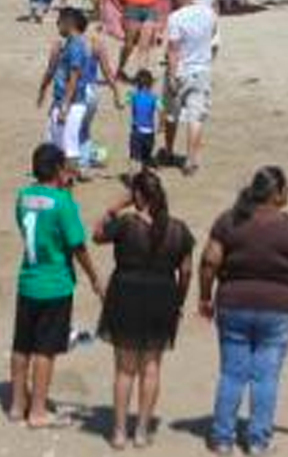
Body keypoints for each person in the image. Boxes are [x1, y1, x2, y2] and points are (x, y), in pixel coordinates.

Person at [200, 166, 288, 455]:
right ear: (277, 194)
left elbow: (208, 262)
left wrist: (205, 298)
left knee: (231, 374)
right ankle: (257, 441)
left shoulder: (228, 222)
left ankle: (221, 439)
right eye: (287, 188)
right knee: (265, 377)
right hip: (280, 310)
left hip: (233, 305)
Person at [93, 169, 194, 449]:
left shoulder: (126, 224)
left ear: (137, 194)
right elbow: (186, 272)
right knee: (151, 367)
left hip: (126, 295)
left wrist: (114, 207)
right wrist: (179, 302)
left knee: (125, 369)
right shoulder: (178, 229)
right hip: (162, 297)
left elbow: (97, 234)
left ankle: (119, 432)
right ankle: (140, 431)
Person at [8, 142, 104, 429]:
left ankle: (16, 405)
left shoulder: (23, 196)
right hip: (55, 284)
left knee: (21, 345)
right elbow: (77, 244)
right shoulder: (63, 203)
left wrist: (65, 191)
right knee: (45, 350)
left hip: (28, 280)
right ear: (59, 169)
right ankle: (37, 411)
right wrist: (94, 277)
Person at [163, 0, 219, 175]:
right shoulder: (208, 12)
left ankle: (169, 151)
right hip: (202, 69)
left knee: (172, 114)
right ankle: (191, 159)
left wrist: (171, 75)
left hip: (181, 70)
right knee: (196, 118)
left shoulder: (175, 18)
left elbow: (173, 49)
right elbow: (213, 39)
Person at [37, 8, 95, 182]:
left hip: (72, 102)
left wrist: (65, 106)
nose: (57, 24)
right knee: (56, 139)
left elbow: (74, 77)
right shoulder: (70, 44)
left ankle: (67, 179)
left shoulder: (76, 45)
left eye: (60, 21)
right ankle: (61, 176)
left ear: (69, 23)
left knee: (68, 142)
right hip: (65, 100)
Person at [124, 70, 161, 170]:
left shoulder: (133, 95)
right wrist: (161, 125)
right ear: (151, 84)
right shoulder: (155, 97)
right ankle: (144, 174)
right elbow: (162, 110)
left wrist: (119, 98)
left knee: (134, 157)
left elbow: (121, 104)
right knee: (146, 157)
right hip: (150, 132)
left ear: (137, 84)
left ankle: (132, 178)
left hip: (137, 131)